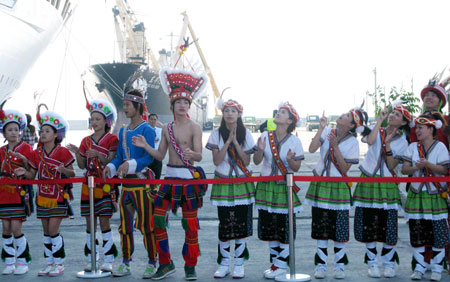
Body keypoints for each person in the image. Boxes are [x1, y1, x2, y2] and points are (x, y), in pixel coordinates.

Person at [132, 67, 207, 280]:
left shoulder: (195, 127)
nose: (182, 106)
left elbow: (200, 156)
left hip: (188, 179)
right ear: (172, 105)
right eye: (179, 102)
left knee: (190, 225)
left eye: (186, 102)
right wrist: (146, 145)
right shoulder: (167, 129)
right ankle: (165, 263)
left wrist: (193, 153)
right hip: (169, 178)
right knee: (157, 220)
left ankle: (190, 265)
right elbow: (160, 155)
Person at [305, 107, 369, 280]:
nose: (343, 115)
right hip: (320, 184)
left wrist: (335, 146)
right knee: (321, 226)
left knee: (339, 228)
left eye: (348, 116)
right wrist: (321, 127)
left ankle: (339, 267)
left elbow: (344, 168)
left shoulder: (352, 142)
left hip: (339, 186)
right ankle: (321, 265)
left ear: (352, 125)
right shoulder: (327, 131)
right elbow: (311, 149)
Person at [101, 89, 157, 278]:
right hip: (127, 186)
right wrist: (111, 166)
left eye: (127, 105)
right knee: (125, 226)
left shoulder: (147, 129)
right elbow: (119, 156)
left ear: (137, 106)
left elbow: (149, 157)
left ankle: (152, 262)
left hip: (142, 185)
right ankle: (126, 262)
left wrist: (130, 164)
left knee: (146, 225)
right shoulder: (123, 130)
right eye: (123, 105)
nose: (124, 108)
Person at [353, 103, 412, 278]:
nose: (392, 116)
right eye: (392, 113)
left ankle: (388, 263)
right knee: (368, 223)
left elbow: (392, 165)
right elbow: (369, 141)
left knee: (389, 225)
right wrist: (380, 120)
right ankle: (372, 263)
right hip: (369, 180)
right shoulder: (376, 129)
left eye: (397, 115)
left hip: (387, 182)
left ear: (403, 123)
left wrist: (387, 145)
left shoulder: (403, 141)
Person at [15, 106, 75, 276]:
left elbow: (73, 173)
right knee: (46, 232)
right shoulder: (36, 153)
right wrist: (23, 172)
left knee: (54, 230)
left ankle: (59, 263)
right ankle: (49, 263)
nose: (43, 133)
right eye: (42, 130)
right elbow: (32, 175)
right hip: (42, 196)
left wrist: (64, 171)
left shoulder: (62, 152)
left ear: (56, 134)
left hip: (57, 196)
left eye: (47, 131)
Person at [253, 102, 304, 279]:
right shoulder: (265, 136)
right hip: (266, 185)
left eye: (283, 113)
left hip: (284, 187)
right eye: (278, 111)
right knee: (270, 226)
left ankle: (281, 265)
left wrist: (290, 160)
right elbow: (257, 161)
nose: (278, 114)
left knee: (285, 227)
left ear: (290, 120)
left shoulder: (295, 140)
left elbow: (296, 168)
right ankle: (276, 264)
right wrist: (259, 150)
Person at [66, 99, 119, 272]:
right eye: (92, 119)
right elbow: (81, 166)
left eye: (98, 119)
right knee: (90, 225)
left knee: (104, 222)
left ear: (106, 121)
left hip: (103, 185)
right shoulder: (85, 141)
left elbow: (112, 161)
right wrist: (77, 153)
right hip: (87, 186)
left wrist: (98, 154)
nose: (94, 122)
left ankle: (109, 259)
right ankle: (92, 258)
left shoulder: (112, 139)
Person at [206, 99, 256, 279]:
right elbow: (216, 161)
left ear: (239, 114)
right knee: (225, 224)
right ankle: (224, 263)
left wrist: (235, 142)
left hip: (241, 181)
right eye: (226, 110)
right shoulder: (215, 134)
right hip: (224, 182)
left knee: (241, 224)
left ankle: (239, 264)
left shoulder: (246, 133)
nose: (229, 114)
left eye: (233, 111)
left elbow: (247, 161)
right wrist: (227, 142)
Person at [401, 113, 450, 282]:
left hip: (435, 195)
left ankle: (437, 268)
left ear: (431, 129)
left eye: (421, 128)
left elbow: (444, 170)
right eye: (417, 127)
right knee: (417, 231)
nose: (418, 130)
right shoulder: (413, 147)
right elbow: (404, 170)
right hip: (416, 194)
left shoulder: (441, 147)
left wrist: (428, 165)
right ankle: (419, 267)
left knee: (438, 232)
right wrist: (416, 168)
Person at [0, 108, 33, 275]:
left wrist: (25, 161)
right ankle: (9, 261)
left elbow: (33, 171)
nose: (13, 133)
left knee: (16, 228)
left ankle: (22, 261)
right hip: (3, 194)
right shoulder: (1, 151)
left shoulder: (26, 148)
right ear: (4, 133)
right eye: (9, 130)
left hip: (19, 192)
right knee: (5, 228)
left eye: (16, 129)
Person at [148, 113, 163, 179]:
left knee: (157, 177)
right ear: (148, 120)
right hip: (147, 157)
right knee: (147, 178)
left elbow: (168, 128)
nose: (153, 121)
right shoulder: (144, 130)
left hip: (157, 157)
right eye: (151, 119)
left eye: (155, 119)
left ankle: (156, 189)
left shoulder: (160, 130)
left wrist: (159, 123)